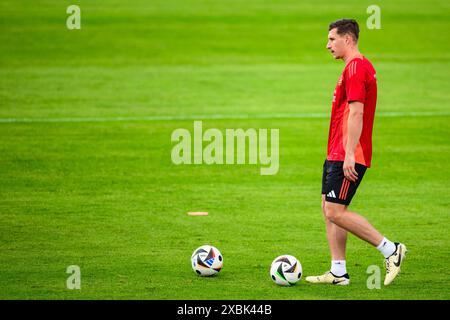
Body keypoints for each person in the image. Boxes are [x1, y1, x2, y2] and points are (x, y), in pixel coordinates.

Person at [305, 19, 407, 286]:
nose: (327, 45)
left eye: (331, 39)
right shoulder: (352, 68)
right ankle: (338, 271)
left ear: (347, 39)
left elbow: (358, 111)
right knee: (329, 207)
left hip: (348, 153)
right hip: (336, 151)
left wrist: (350, 153)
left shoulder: (357, 68)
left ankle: (390, 249)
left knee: (336, 211)